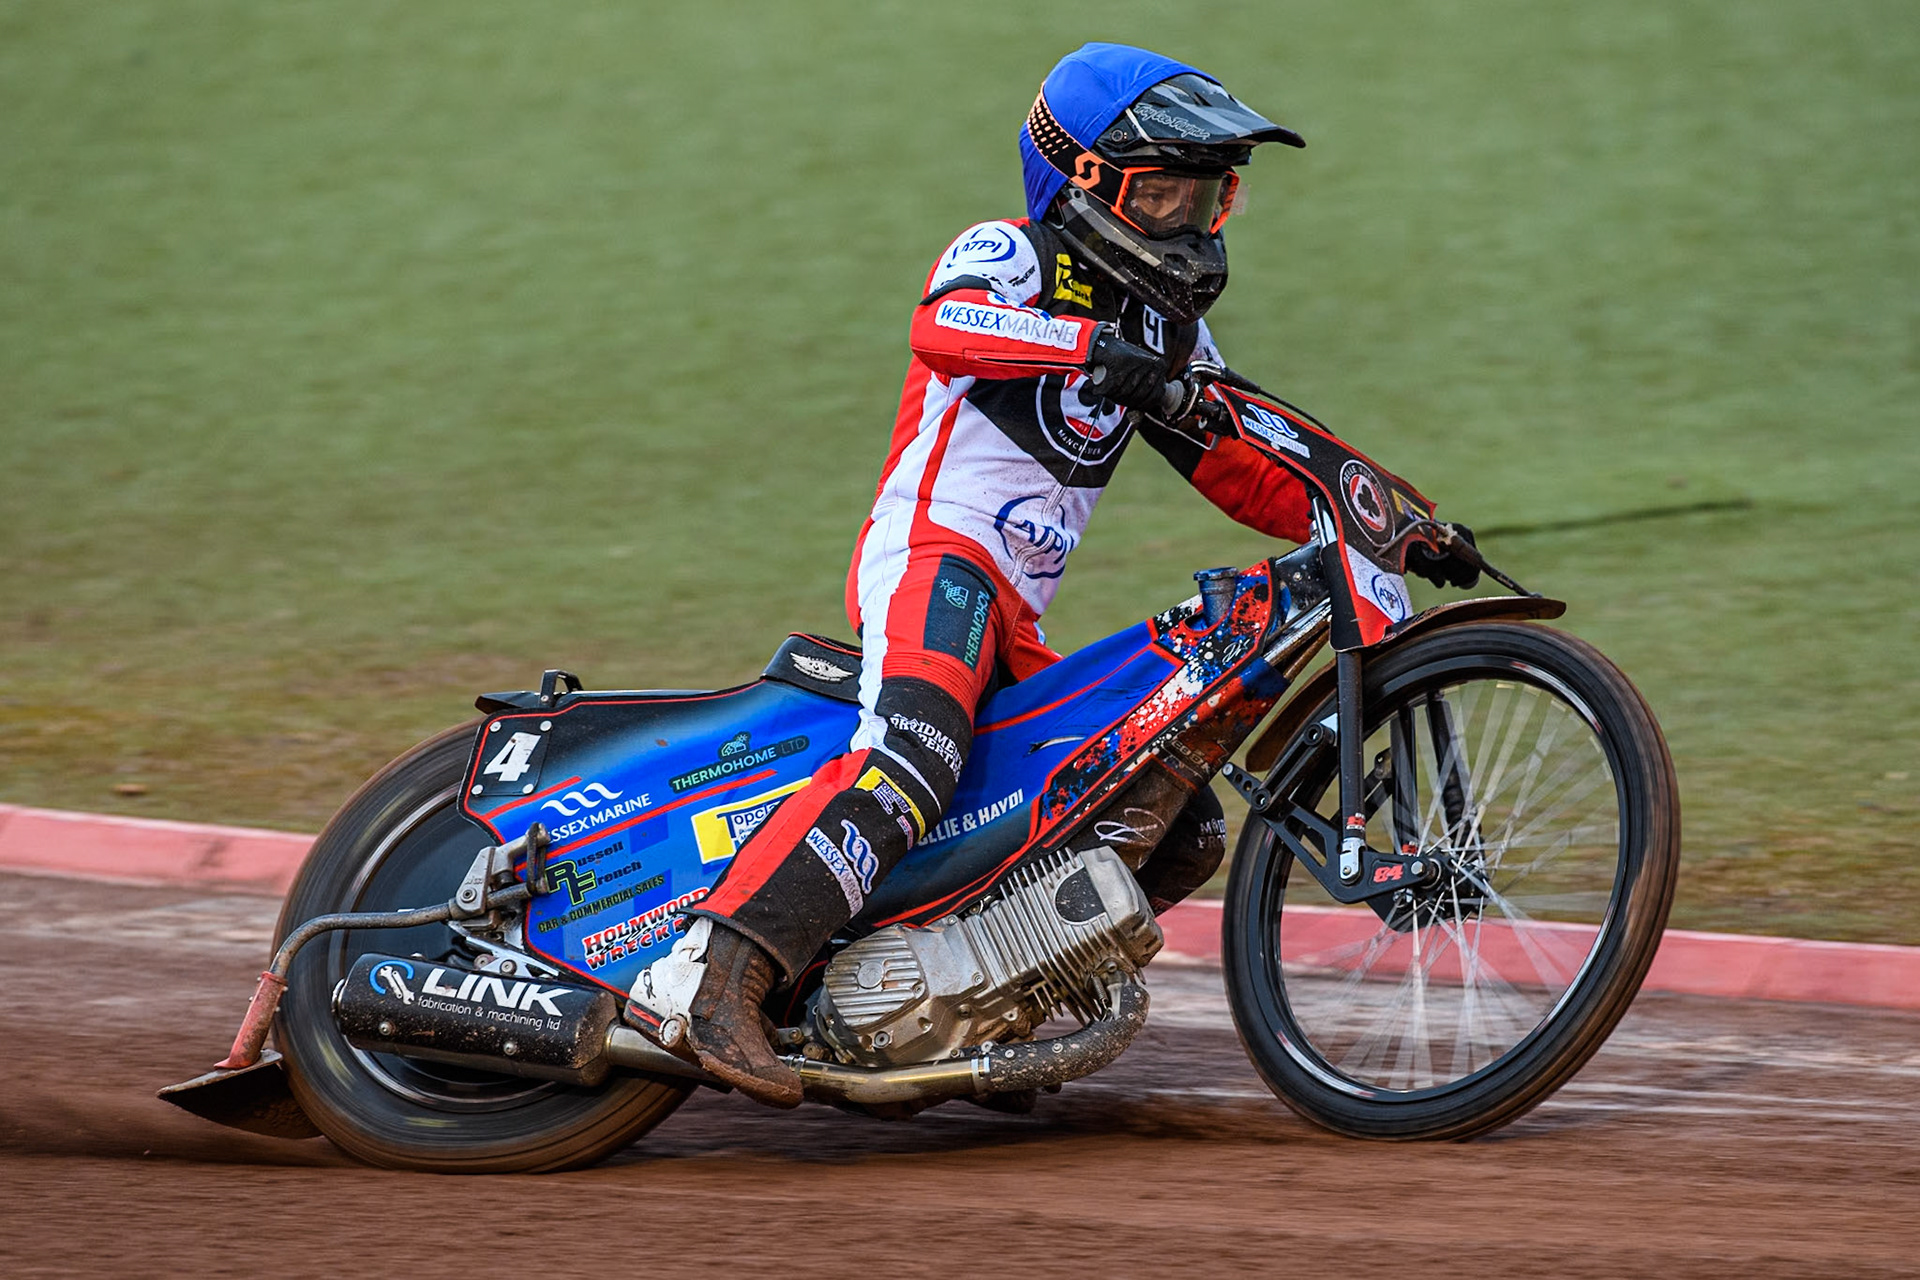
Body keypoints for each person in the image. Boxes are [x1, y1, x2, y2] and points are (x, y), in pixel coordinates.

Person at [630, 44, 1336, 1107]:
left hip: (1013, 617)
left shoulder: (1170, 333)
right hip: (935, 556)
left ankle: (972, 1000)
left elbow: (1244, 464)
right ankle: (712, 977)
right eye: (1161, 193)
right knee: (915, 750)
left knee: (1172, 811)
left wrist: (1384, 517)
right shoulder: (1008, 252)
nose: (1186, 222)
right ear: (1083, 179)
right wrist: (1089, 347)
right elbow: (945, 327)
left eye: (1204, 196)